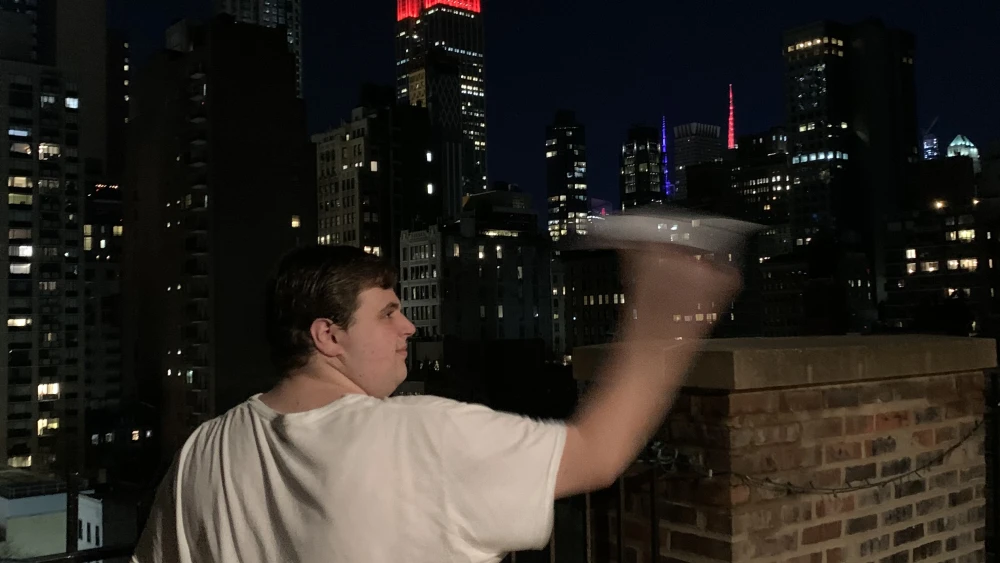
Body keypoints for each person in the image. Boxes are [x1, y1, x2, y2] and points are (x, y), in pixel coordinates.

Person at [131, 243, 741, 563]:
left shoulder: (202, 449)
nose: (409, 329)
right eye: (389, 312)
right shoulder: (417, 435)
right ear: (328, 336)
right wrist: (668, 306)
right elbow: (597, 454)